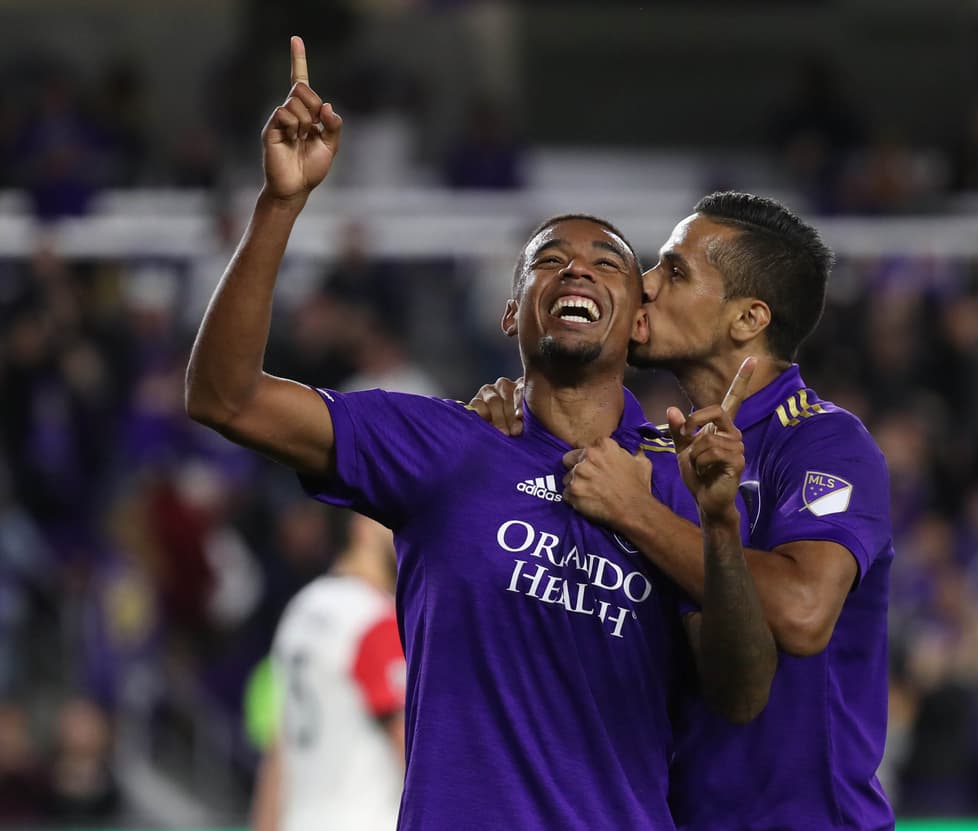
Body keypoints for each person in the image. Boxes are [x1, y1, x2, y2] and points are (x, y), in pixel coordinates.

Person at [184, 37, 775, 831]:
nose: (576, 269)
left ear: (638, 321)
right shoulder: (443, 445)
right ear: (511, 313)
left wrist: (715, 528)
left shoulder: (683, 482)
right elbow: (224, 397)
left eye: (607, 261)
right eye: (548, 259)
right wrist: (280, 203)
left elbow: (741, 692)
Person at [471, 191, 895, 829]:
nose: (643, 287)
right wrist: (510, 419)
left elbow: (805, 614)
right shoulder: (652, 451)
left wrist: (637, 513)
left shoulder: (821, 441)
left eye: (674, 272)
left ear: (747, 319)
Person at [249, 514, 406, 831]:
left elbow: (279, 747)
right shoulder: (376, 620)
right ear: (363, 525)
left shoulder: (301, 608)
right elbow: (410, 751)